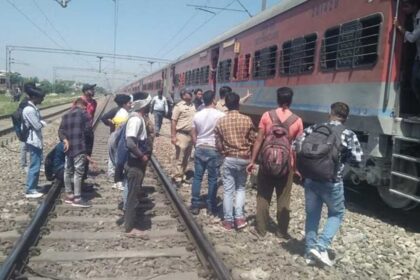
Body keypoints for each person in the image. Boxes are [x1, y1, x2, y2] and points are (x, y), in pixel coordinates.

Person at [294, 102, 363, 266]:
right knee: (336, 213)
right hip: (332, 182)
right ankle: (321, 246)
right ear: (346, 117)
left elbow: (296, 145)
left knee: (312, 215)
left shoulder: (315, 128)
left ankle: (309, 252)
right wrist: (344, 159)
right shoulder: (348, 133)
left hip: (310, 179)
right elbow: (358, 159)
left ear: (330, 113)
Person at [246, 87, 303, 239]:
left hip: (266, 163)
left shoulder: (267, 115)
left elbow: (259, 139)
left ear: (277, 99)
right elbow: (297, 148)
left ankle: (261, 229)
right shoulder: (297, 120)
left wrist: (252, 161)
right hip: (286, 165)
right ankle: (282, 231)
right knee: (284, 198)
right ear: (290, 101)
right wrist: (295, 168)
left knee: (263, 195)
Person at [214, 92, 256, 230]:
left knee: (227, 190)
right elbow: (253, 140)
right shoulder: (247, 120)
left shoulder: (221, 121)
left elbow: (218, 144)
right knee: (240, 188)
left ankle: (228, 221)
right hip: (244, 158)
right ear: (238, 104)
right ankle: (239, 218)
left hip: (229, 158)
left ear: (226, 105)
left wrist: (224, 153)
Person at [190, 90, 225, 215]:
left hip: (200, 147)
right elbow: (222, 134)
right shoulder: (220, 115)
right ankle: (211, 206)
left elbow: (193, 132)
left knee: (197, 177)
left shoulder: (197, 115)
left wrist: (196, 144)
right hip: (213, 149)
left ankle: (194, 204)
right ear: (213, 100)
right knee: (212, 179)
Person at [124, 93, 153, 236]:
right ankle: (129, 227)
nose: (150, 105)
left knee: (133, 194)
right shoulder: (135, 119)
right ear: (143, 105)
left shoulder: (138, 118)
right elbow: (130, 142)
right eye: (148, 103)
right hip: (135, 163)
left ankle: (130, 223)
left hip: (136, 163)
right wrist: (142, 156)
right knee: (132, 196)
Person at [59, 98, 92, 207]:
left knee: (67, 171)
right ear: (83, 105)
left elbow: (60, 131)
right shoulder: (84, 114)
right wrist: (87, 150)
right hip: (79, 146)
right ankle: (77, 199)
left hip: (69, 148)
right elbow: (88, 131)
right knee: (78, 172)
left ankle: (69, 195)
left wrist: (65, 140)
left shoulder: (65, 115)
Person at [22, 83, 47, 198]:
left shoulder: (33, 108)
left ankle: (33, 186)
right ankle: (30, 190)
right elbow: (37, 125)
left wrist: (40, 122)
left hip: (36, 140)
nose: (42, 99)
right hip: (33, 141)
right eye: (40, 98)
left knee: (36, 164)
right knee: (35, 165)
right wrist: (42, 122)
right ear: (34, 97)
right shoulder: (29, 110)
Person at [102, 94, 132, 183]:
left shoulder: (121, 111)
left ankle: (113, 174)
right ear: (124, 104)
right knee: (116, 156)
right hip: (117, 137)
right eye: (129, 103)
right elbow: (104, 118)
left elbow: (104, 118)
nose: (131, 105)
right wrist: (111, 124)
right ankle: (113, 175)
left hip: (116, 136)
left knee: (113, 156)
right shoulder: (119, 111)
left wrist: (111, 124)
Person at [171, 90, 196, 184]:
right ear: (183, 95)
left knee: (187, 157)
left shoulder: (192, 105)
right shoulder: (178, 106)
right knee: (180, 157)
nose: (191, 94)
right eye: (189, 93)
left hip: (190, 135)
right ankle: (177, 177)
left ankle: (183, 174)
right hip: (181, 134)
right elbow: (173, 121)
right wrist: (173, 136)